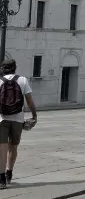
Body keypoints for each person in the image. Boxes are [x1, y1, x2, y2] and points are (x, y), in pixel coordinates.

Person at [0, 60, 37, 189]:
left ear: (3, 69)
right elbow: (30, 101)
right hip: (18, 119)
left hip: (2, 119)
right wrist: (34, 116)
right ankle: (9, 172)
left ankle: (1, 179)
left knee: (2, 149)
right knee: (13, 147)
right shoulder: (23, 80)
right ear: (14, 68)